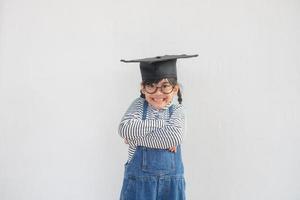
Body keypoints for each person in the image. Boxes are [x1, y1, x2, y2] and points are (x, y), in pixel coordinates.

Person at [118, 54, 198, 200]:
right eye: (151, 86)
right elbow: (124, 129)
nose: (158, 93)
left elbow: (174, 137)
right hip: (138, 186)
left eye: (165, 86)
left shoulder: (178, 110)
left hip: (171, 188)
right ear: (143, 88)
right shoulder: (138, 105)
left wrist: (135, 138)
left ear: (175, 89)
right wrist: (162, 125)